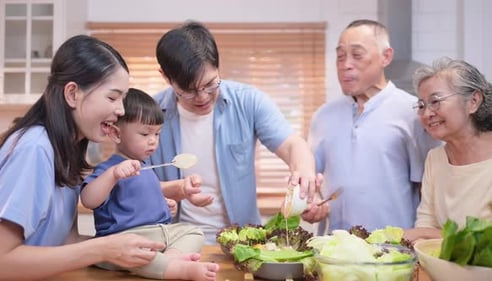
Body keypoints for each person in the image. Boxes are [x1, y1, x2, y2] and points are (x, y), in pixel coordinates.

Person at [0, 35, 164, 280]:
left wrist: (131, 245)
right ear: (72, 94)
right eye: (113, 97)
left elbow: (66, 242)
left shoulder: (68, 151)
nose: (121, 110)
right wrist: (103, 249)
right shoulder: (34, 148)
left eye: (123, 99)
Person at [150, 21, 324, 244]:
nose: (203, 97)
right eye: (189, 91)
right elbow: (135, 182)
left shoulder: (248, 101)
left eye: (210, 84)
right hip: (174, 245)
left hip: (242, 243)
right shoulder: (150, 115)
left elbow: (292, 144)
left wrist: (304, 171)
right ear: (165, 77)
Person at [307, 19, 441, 235]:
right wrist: (311, 201)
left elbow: (429, 190)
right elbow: (310, 180)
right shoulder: (323, 116)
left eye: (357, 55)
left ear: (386, 57)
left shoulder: (413, 112)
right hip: (334, 252)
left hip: (394, 252)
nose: (345, 64)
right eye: (340, 56)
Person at [80, 88, 219, 280]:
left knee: (193, 232)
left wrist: (163, 206)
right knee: (136, 255)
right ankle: (179, 270)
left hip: (158, 236)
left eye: (157, 134)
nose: (153, 141)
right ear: (115, 133)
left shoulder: (146, 168)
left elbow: (142, 198)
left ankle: (168, 261)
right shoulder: (109, 168)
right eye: (145, 134)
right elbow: (89, 200)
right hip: (124, 242)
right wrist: (113, 175)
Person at [403, 57, 492, 242]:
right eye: (421, 105)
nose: (427, 113)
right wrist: (425, 235)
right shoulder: (435, 159)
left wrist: (425, 234)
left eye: (436, 101)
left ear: (473, 101)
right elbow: (426, 225)